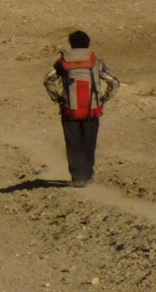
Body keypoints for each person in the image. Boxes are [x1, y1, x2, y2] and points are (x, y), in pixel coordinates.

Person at [44, 30, 120, 187]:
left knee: (73, 142)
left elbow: (48, 80)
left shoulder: (62, 62)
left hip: (69, 110)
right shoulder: (96, 62)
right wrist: (103, 99)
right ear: (88, 43)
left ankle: (77, 177)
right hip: (92, 109)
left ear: (71, 44)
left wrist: (58, 98)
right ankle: (88, 174)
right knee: (89, 142)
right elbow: (114, 82)